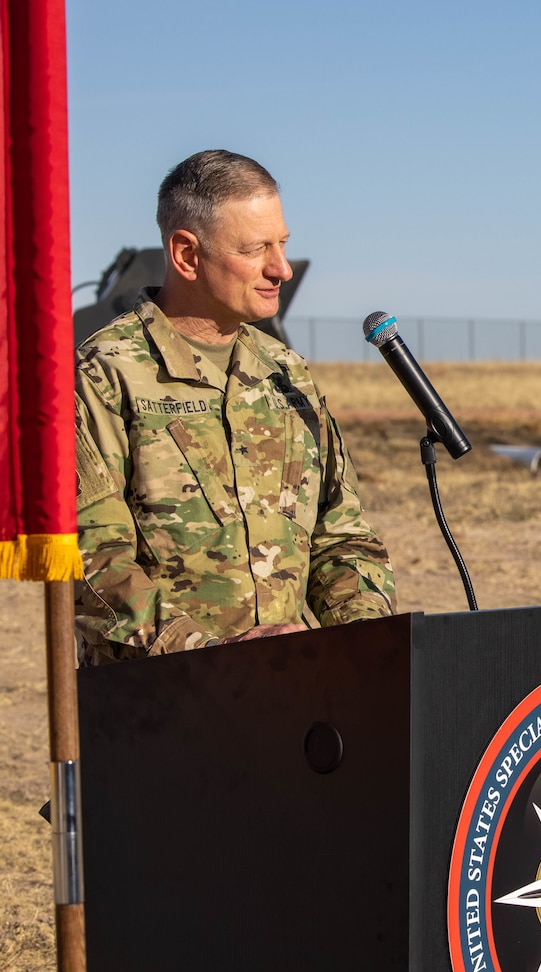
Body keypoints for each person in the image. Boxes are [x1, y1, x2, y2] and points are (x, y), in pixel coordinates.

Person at [73, 150, 395, 664]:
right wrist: (214, 657)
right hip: (159, 705)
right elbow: (93, 562)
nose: (282, 268)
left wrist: (364, 644)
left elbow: (341, 537)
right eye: (256, 249)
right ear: (186, 254)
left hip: (294, 696)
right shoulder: (105, 374)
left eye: (283, 244)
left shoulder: (285, 373)